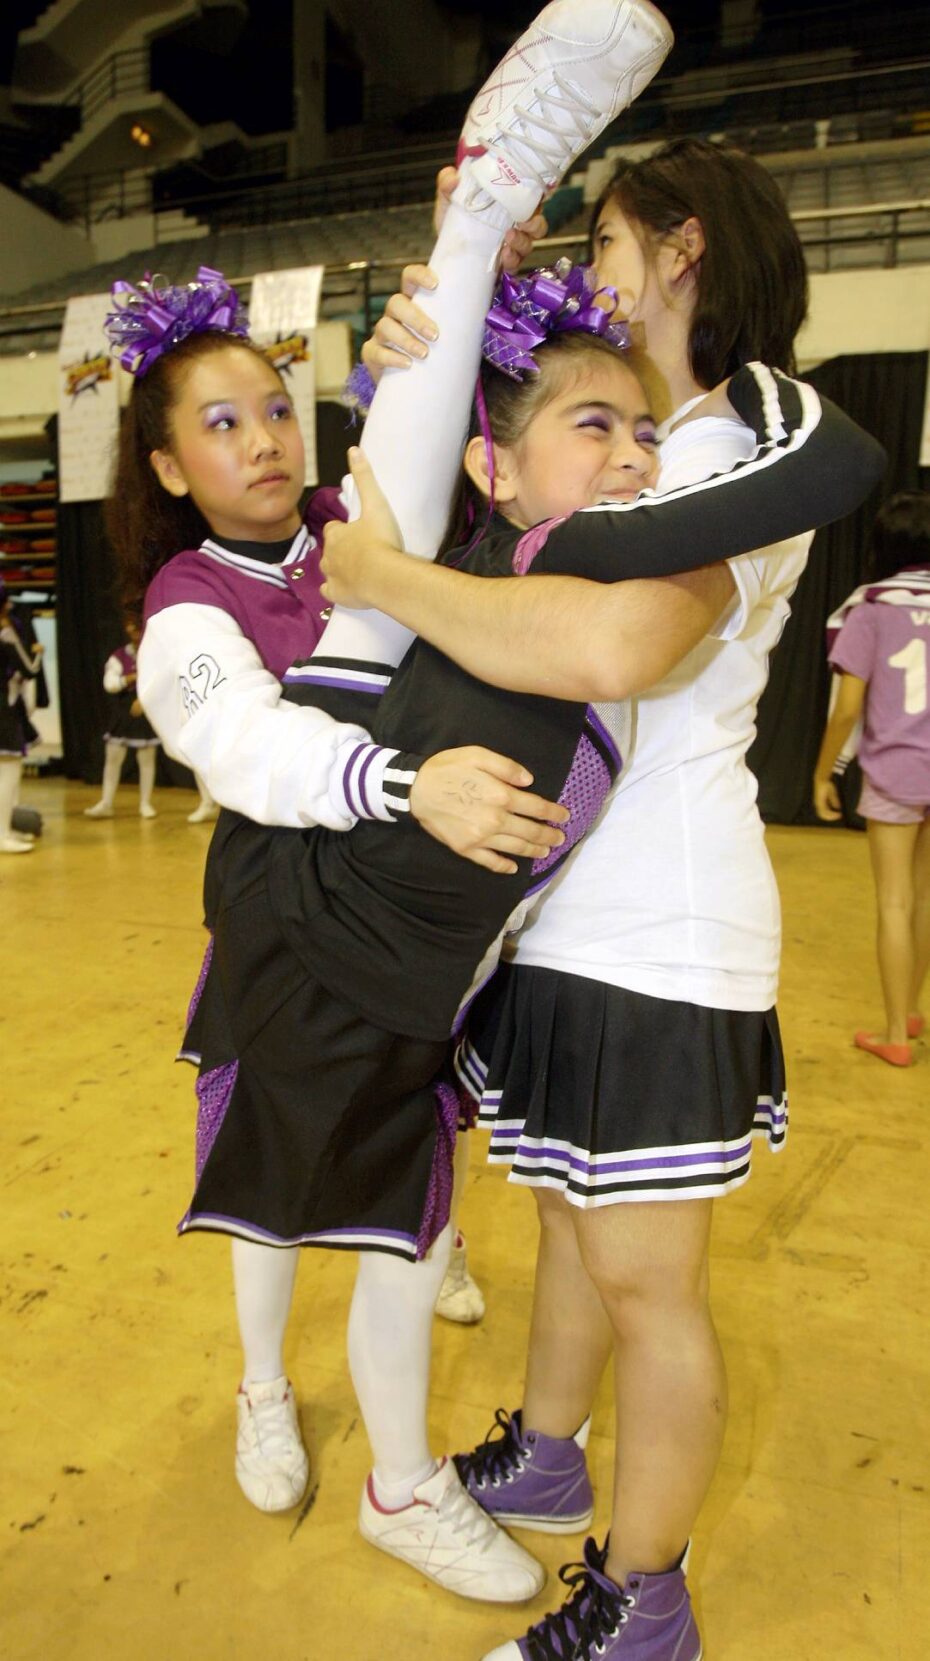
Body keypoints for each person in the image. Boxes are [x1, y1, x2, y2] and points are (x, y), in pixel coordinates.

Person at [115, 0, 680, 1571]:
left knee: (373, 1178)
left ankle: (479, 205)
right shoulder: (187, 608)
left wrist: (428, 341)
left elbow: (413, 496)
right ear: (162, 465)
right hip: (286, 922)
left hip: (391, 907)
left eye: (274, 406)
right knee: (260, 1183)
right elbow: (247, 746)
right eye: (217, 423)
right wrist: (393, 776)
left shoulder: (338, 545)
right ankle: (258, 1388)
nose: (260, 438)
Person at [320, 137, 883, 1660]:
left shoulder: (728, 442)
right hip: (573, 913)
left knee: (645, 1279)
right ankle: (556, 1457)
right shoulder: (644, 423)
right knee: (573, 1228)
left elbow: (605, 649)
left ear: (680, 245)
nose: (593, 262)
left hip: (664, 923)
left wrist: (380, 571)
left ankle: (641, 1606)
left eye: (611, 239)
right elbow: (512, 529)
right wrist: (427, 340)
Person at [814, 490, 930, 1066]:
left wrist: (823, 772)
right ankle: (910, 1007)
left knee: (894, 902)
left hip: (894, 772)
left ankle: (895, 1035)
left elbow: (846, 708)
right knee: (925, 895)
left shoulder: (873, 608)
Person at [84, 618, 161, 819]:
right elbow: (110, 684)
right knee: (113, 758)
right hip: (123, 712)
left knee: (146, 759)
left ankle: (145, 803)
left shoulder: (155, 654)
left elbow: (161, 681)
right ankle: (106, 802)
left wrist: (144, 700)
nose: (135, 635)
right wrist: (130, 678)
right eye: (132, 631)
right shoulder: (119, 656)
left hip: (145, 711)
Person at [0, 576, 44, 854]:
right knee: (9, 772)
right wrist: (39, 653)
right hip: (2, 709)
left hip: (6, 705)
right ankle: (2, 834)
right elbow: (30, 669)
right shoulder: (5, 632)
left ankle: (5, 829)